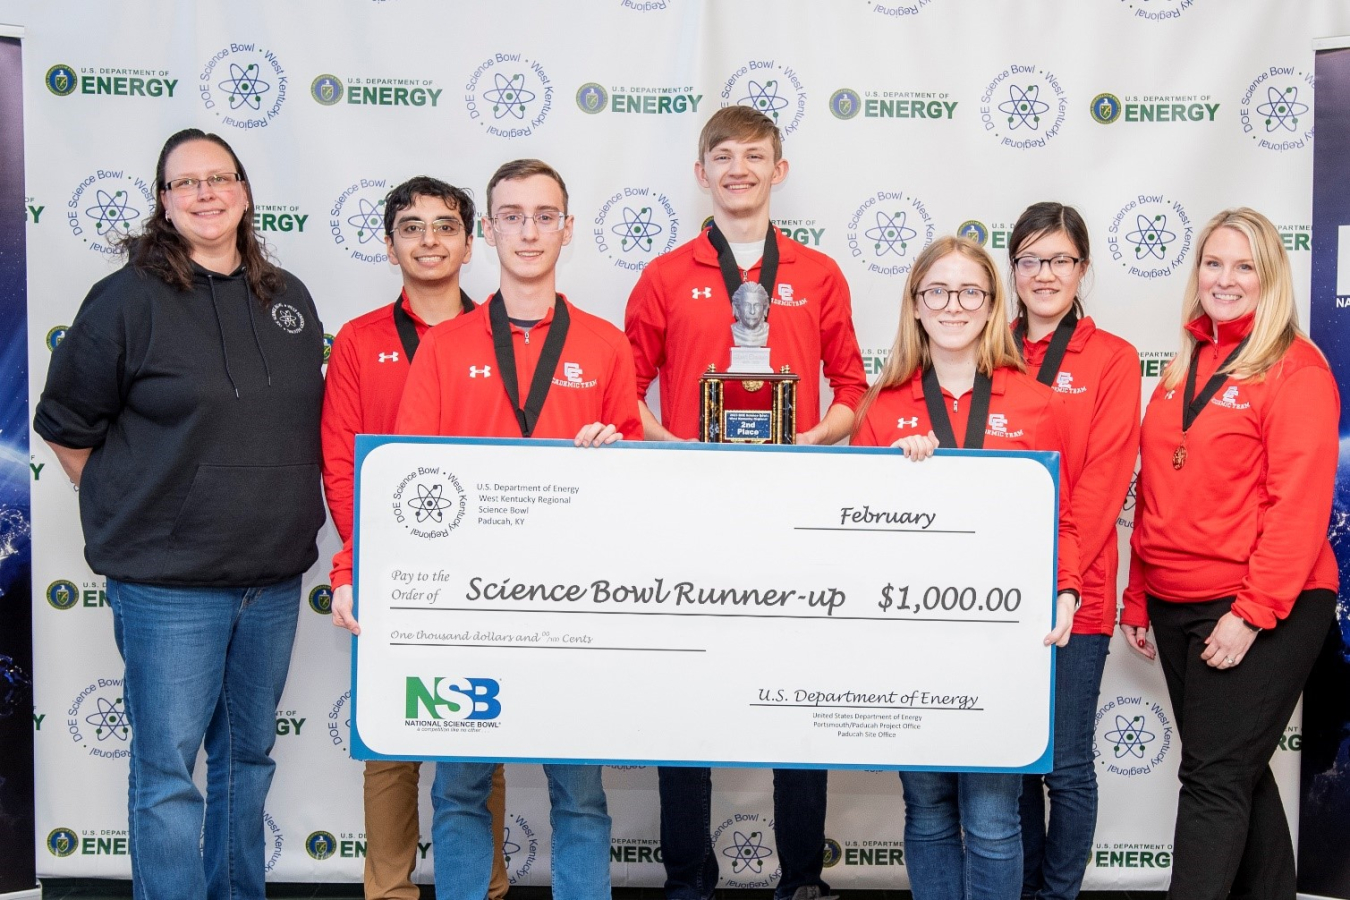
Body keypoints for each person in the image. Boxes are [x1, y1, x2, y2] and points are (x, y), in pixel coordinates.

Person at [33, 128, 325, 900]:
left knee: (248, 761)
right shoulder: (127, 300)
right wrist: (137, 501)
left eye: (219, 177)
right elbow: (66, 426)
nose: (205, 193)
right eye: (184, 183)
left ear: (245, 191)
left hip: (272, 581)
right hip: (169, 589)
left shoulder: (288, 296)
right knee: (167, 774)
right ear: (164, 202)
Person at [624, 105, 867, 900]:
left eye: (755, 155)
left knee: (795, 691)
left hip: (792, 513)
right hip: (687, 514)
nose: (739, 168)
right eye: (722, 156)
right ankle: (687, 876)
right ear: (701, 173)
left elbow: (854, 391)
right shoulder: (664, 275)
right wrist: (675, 449)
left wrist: (807, 445)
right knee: (683, 694)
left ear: (779, 171)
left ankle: (802, 877)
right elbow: (624, 392)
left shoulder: (820, 274)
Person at [396, 158, 641, 900]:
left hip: (573, 603)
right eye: (512, 215)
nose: (529, 231)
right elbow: (409, 482)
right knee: (461, 792)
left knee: (580, 798)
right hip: (468, 607)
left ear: (567, 228)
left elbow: (635, 487)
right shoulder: (444, 347)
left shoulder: (604, 345)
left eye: (544, 215)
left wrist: (615, 455)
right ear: (488, 231)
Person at [851, 235, 1081, 900]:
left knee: (991, 817)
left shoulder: (1035, 403)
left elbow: (1059, 518)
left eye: (970, 292)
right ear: (915, 305)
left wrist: (1065, 590)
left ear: (989, 306)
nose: (954, 305)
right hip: (910, 643)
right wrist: (897, 481)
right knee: (927, 809)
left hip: (998, 642)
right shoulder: (884, 404)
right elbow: (855, 530)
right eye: (937, 291)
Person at [1120, 208, 1338, 900]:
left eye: (1245, 266)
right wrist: (1136, 592)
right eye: (1213, 263)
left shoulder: (1295, 370)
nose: (1226, 279)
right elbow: (1156, 490)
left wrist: (1253, 612)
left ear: (1271, 278)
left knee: (1213, 779)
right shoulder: (1185, 364)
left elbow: (1297, 508)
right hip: (1174, 598)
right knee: (1233, 771)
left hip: (1263, 601)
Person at [320, 176, 509, 900]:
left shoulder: (502, 333)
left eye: (444, 226)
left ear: (470, 240)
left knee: (478, 726)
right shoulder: (364, 341)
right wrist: (368, 559)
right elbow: (342, 461)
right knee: (390, 745)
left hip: (480, 567)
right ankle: (389, 890)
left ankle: (484, 886)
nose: (428, 239)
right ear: (391, 242)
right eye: (411, 226)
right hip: (391, 565)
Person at [1007, 203, 1140, 900]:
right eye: (1030, 259)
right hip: (997, 593)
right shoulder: (989, 343)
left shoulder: (1113, 358)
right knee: (1015, 762)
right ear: (1013, 270)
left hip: (1077, 590)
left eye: (1059, 260)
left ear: (1083, 268)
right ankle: (1022, 888)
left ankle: (1057, 895)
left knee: (1065, 766)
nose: (1044, 274)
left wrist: (1060, 575)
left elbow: (1103, 480)